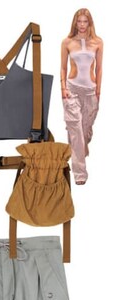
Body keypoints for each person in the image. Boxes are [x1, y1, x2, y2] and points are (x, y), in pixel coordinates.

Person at [61, 8, 103, 185]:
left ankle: (81, 146)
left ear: (89, 23)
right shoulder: (67, 42)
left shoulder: (98, 42)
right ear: (75, 23)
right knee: (76, 130)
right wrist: (63, 88)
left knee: (85, 129)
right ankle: (80, 174)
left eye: (85, 21)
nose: (82, 25)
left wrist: (98, 91)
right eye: (79, 21)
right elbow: (63, 67)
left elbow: (99, 68)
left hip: (91, 91)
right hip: (72, 89)